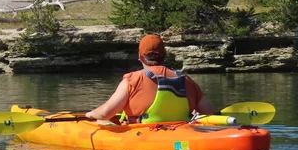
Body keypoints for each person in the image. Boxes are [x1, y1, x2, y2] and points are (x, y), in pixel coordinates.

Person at [86, 34, 215, 123]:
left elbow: (105, 114)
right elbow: (210, 115)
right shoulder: (187, 80)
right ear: (164, 55)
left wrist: (89, 114)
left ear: (140, 57)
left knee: (101, 122)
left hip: (144, 140)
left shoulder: (132, 80)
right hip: (182, 136)